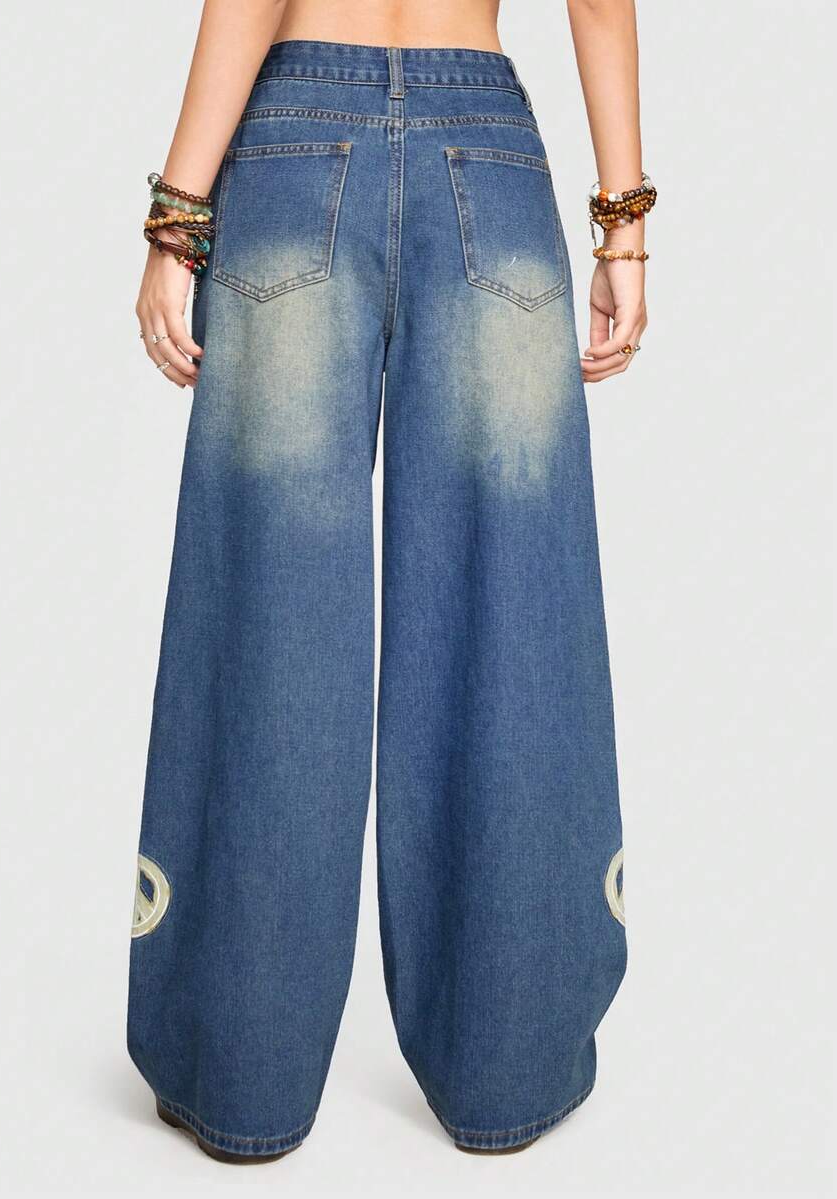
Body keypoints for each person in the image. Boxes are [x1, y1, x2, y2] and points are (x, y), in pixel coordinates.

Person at [129, 0, 650, 1163]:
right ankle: (509, 1061)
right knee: (509, 615)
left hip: (294, 144)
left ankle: (238, 1068)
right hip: (487, 154)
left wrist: (178, 214)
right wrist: (623, 225)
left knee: (268, 610)